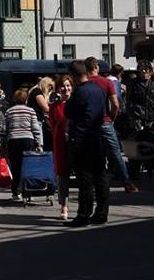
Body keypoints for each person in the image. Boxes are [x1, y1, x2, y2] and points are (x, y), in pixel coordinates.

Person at [64, 60, 110, 228]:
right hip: (97, 136)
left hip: (81, 139)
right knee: (101, 177)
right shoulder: (99, 90)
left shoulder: (79, 92)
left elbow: (68, 112)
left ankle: (83, 215)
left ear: (74, 76)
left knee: (85, 180)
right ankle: (102, 213)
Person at [84, 57, 137, 193]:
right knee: (115, 152)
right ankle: (126, 182)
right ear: (96, 67)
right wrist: (112, 118)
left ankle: (94, 182)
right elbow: (115, 104)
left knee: (93, 153)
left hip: (89, 124)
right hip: (105, 121)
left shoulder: (83, 83)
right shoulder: (106, 82)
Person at [0, 88, 43, 203]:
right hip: (27, 140)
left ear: (15, 99)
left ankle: (15, 192)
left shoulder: (9, 112)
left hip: (13, 141)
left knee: (15, 167)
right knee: (28, 166)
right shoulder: (31, 111)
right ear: (26, 99)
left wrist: (2, 145)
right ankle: (27, 191)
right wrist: (38, 143)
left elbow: (4, 130)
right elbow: (35, 128)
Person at [48, 75, 73, 220]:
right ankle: (64, 205)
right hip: (61, 143)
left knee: (82, 175)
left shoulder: (77, 103)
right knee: (62, 176)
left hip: (76, 143)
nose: (66, 88)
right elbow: (52, 125)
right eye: (63, 86)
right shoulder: (54, 106)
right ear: (58, 89)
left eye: (68, 85)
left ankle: (85, 206)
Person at [28, 77, 54, 152]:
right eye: (50, 87)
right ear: (46, 85)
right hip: (36, 121)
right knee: (39, 145)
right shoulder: (37, 92)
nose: (51, 89)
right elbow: (46, 108)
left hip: (35, 121)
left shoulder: (34, 91)